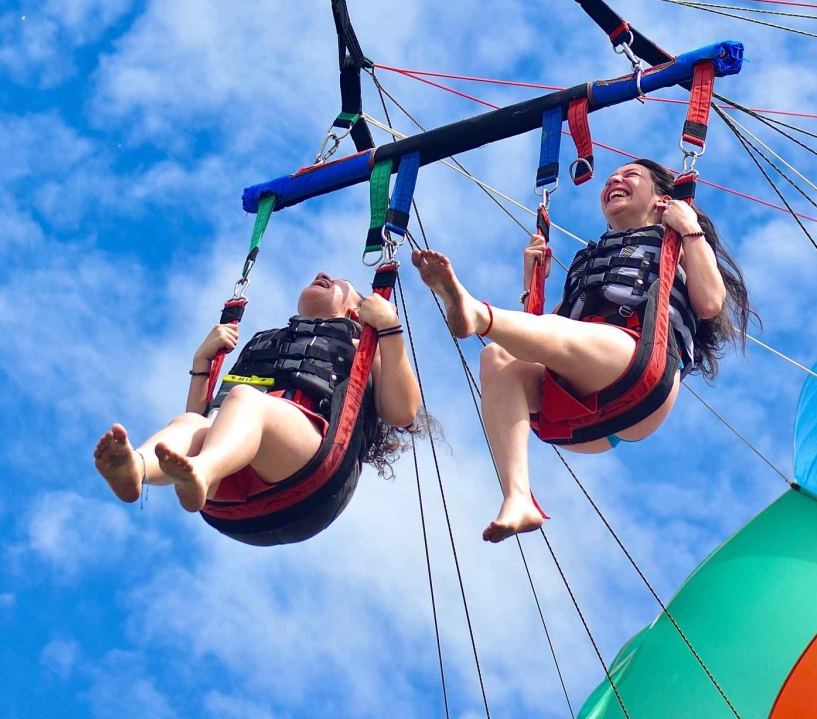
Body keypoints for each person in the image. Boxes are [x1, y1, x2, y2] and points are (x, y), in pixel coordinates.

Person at [413, 159, 751, 543]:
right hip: (585, 418)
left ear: (662, 198)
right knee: (497, 357)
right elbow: (543, 342)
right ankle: (518, 497)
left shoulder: (679, 244)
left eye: (630, 176)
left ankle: (477, 314)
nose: (614, 182)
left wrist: (689, 227)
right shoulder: (587, 259)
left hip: (643, 368)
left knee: (551, 332)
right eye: (609, 180)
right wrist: (531, 286)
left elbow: (709, 303)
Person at [92, 272, 422, 543]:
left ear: (355, 312)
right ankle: (137, 468)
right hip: (230, 487)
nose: (322, 274)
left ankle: (202, 475)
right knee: (189, 421)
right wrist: (202, 361)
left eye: (337, 282)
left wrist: (388, 329)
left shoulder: (363, 348)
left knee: (244, 398)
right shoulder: (268, 341)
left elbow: (402, 411)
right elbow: (207, 419)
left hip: (309, 477)